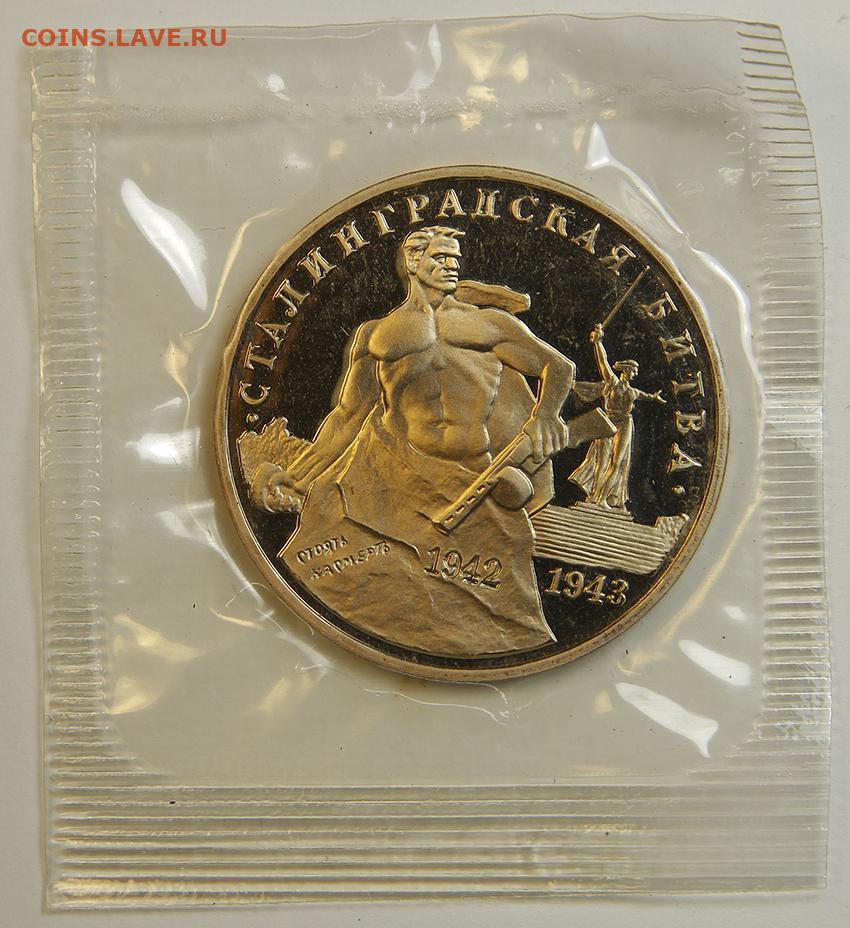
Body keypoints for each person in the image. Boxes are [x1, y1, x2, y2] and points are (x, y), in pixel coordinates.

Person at [257, 225, 575, 657]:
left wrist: (546, 414)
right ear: (412, 262)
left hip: (473, 474)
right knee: (370, 586)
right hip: (396, 477)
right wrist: (299, 476)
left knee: (509, 608)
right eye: (440, 258)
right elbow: (348, 415)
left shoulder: (488, 324)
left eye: (455, 259)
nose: (452, 266)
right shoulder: (378, 334)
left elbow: (558, 367)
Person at [569, 323, 665, 510]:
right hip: (607, 421)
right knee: (601, 460)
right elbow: (602, 362)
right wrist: (598, 342)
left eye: (636, 372)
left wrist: (655, 397)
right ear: (625, 370)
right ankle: (594, 496)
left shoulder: (634, 392)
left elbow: (647, 396)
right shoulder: (612, 382)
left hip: (625, 423)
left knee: (617, 461)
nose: (635, 374)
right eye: (633, 371)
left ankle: (603, 498)